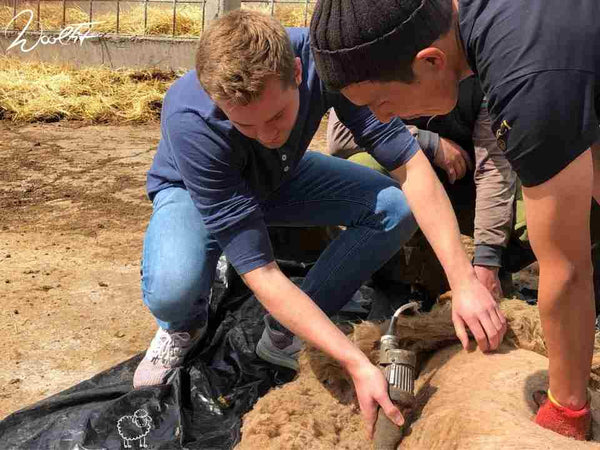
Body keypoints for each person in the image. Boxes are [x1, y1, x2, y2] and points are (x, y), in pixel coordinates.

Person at [134, 9, 506, 438]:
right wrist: (353, 360)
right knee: (175, 290)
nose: (264, 134)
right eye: (243, 124)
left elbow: (411, 165)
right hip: (197, 192)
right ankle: (181, 326)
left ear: (296, 71)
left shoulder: (325, 61)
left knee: (393, 207)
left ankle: (282, 332)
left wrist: (463, 280)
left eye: (276, 117)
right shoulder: (191, 120)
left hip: (282, 175)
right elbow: (263, 271)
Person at [310, 0, 599, 439]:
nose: (383, 120)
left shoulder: (526, 77)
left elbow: (567, 269)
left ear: (430, 61)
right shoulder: (484, 22)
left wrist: (567, 410)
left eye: (382, 103)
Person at [326, 76, 517, 300]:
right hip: (405, 173)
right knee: (366, 171)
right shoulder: (377, 53)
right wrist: (428, 143)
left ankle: (496, 270)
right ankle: (394, 282)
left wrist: (488, 259)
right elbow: (339, 136)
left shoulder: (486, 72)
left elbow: (492, 171)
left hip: (466, 183)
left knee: (539, 213)